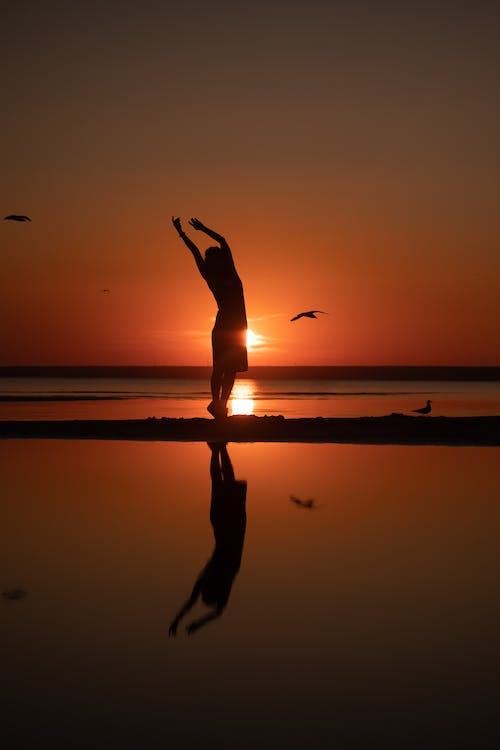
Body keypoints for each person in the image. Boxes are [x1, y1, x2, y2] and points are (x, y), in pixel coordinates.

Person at [172, 216, 248, 418]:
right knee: (223, 368)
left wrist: (187, 232)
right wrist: (197, 230)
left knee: (227, 369)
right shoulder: (220, 275)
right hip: (230, 327)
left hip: (232, 328)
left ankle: (220, 405)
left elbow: (214, 246)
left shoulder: (226, 274)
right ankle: (218, 404)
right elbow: (204, 249)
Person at [168, 443, 247, 636]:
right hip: (226, 526)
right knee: (221, 483)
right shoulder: (224, 574)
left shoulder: (227, 573)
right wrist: (188, 622)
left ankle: (219, 448)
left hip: (229, 527)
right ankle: (218, 448)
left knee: (224, 483)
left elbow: (209, 608)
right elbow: (199, 603)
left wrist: (186, 621)